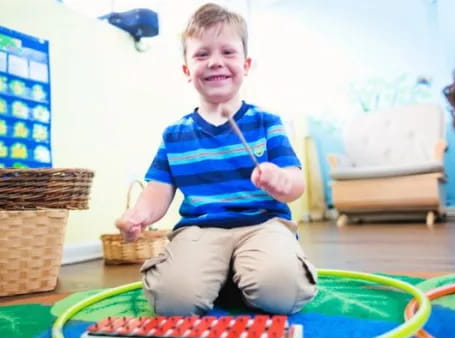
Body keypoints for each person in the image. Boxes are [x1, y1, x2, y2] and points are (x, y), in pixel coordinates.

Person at [116, 2, 317, 316]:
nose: (215, 62)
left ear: (246, 64)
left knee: (282, 293)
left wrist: (281, 181)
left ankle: (240, 273)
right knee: (172, 302)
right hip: (200, 230)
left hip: (264, 224)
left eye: (227, 52)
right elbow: (157, 191)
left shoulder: (268, 123)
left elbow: (295, 185)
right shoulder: (174, 135)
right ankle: (227, 274)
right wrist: (138, 214)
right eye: (201, 54)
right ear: (186, 70)